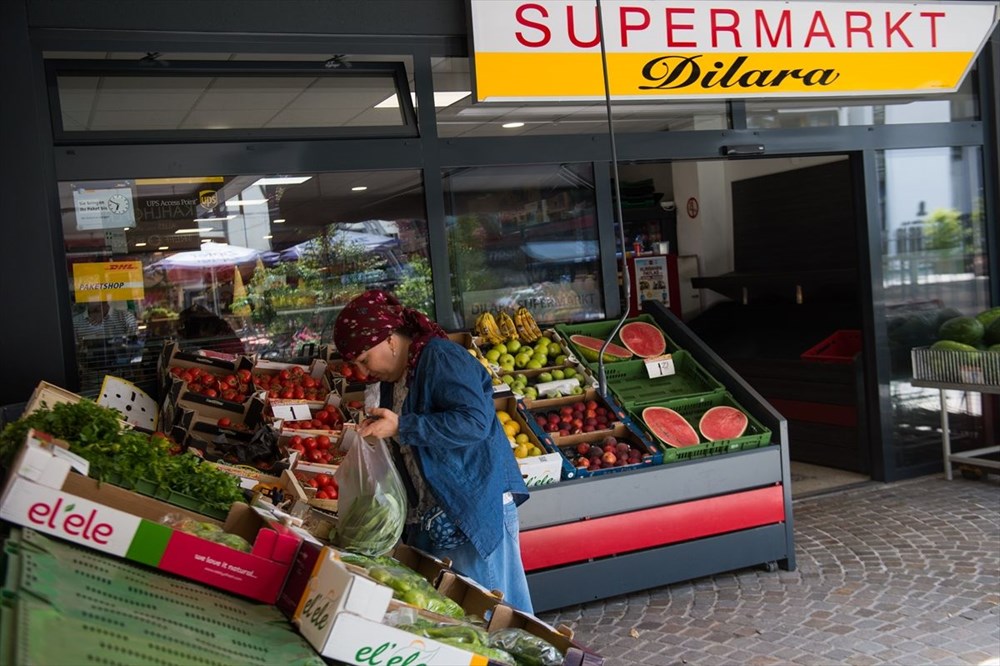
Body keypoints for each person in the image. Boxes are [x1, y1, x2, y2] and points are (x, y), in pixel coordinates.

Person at [333, 289, 534, 612]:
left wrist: (402, 426)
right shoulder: (395, 377)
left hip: (469, 510)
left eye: (364, 359)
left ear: (389, 339)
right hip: (432, 520)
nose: (362, 372)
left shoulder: (440, 357)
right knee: (455, 618)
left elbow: (474, 422)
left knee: (492, 616)